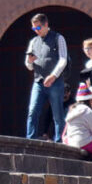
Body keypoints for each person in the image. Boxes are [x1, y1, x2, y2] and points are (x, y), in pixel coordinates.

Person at [24, 13, 68, 143]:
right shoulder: (33, 42)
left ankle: (59, 140)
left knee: (57, 113)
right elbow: (29, 66)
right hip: (38, 81)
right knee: (33, 111)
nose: (36, 31)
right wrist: (30, 61)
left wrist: (54, 75)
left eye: (38, 28)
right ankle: (30, 138)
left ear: (46, 25)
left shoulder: (58, 38)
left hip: (55, 82)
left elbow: (63, 59)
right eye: (34, 29)